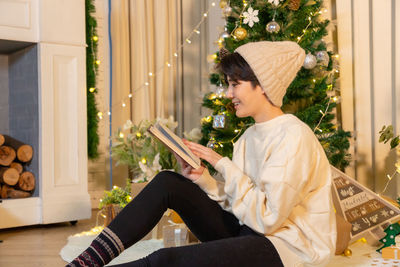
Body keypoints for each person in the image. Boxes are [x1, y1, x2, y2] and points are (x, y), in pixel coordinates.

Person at [67, 41, 336, 267]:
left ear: (262, 84)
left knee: (165, 259)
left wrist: (222, 164)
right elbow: (241, 205)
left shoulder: (293, 136)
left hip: (288, 250)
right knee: (168, 182)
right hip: (251, 233)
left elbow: (268, 220)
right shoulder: (248, 137)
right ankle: (84, 263)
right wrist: (204, 178)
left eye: (235, 84)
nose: (229, 93)